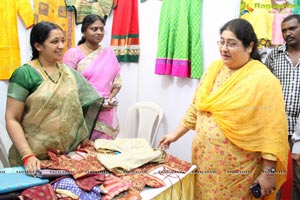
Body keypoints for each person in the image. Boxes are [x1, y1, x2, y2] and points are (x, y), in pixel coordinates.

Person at [158, 18, 289, 199]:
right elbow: (197, 107)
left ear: (249, 47)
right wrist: (175, 134)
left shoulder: (263, 80)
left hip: (238, 169)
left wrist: (268, 172)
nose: (224, 48)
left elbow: (271, 131)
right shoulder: (215, 69)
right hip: (205, 161)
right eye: (222, 41)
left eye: (232, 44)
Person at [5, 22, 103, 173]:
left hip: (65, 158)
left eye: (62, 40)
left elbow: (81, 107)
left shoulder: (70, 73)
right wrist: (27, 155)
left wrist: (82, 141)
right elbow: (12, 118)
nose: (61, 46)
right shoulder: (25, 74)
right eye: (54, 41)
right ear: (38, 46)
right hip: (33, 159)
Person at [63, 14, 121, 140]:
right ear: (84, 31)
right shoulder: (73, 54)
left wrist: (109, 99)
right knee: (83, 153)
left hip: (106, 111)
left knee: (104, 151)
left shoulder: (108, 53)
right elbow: (67, 86)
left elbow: (117, 81)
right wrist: (94, 103)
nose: (99, 32)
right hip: (82, 111)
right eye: (94, 29)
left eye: (101, 29)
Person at [264, 14, 300, 200]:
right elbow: (263, 87)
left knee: (299, 178)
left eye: (292, 28)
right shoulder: (273, 56)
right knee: (273, 175)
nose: (288, 33)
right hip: (276, 125)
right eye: (284, 30)